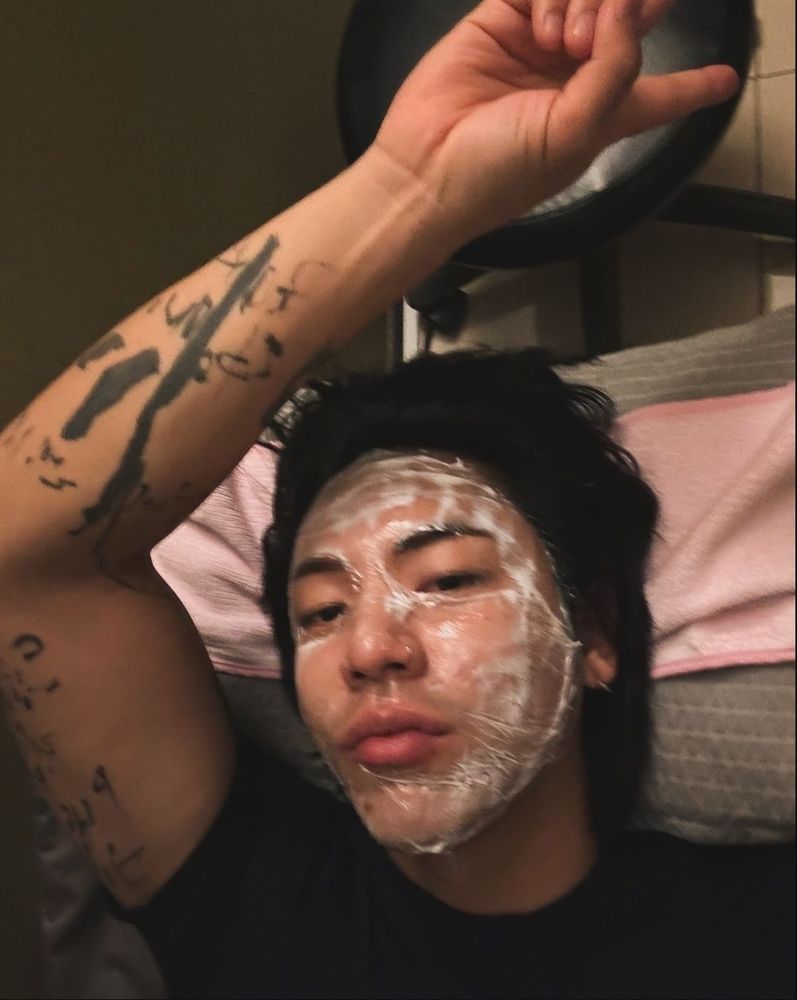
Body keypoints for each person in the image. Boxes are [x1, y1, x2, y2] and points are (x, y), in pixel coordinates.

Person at [0, 0, 792, 997]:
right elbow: (27, 541)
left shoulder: (756, 935)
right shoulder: (249, 895)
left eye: (447, 578)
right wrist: (408, 190)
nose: (369, 648)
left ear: (591, 629)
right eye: (318, 612)